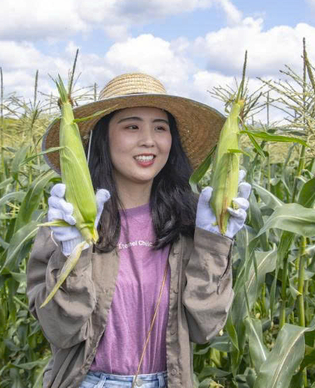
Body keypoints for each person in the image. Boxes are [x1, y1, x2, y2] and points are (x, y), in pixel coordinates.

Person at [26, 73, 252, 388]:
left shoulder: (189, 226)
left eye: (160, 127)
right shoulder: (65, 224)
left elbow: (206, 326)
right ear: (102, 138)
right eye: (132, 126)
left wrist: (214, 243)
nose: (149, 140)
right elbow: (61, 329)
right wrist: (72, 255)